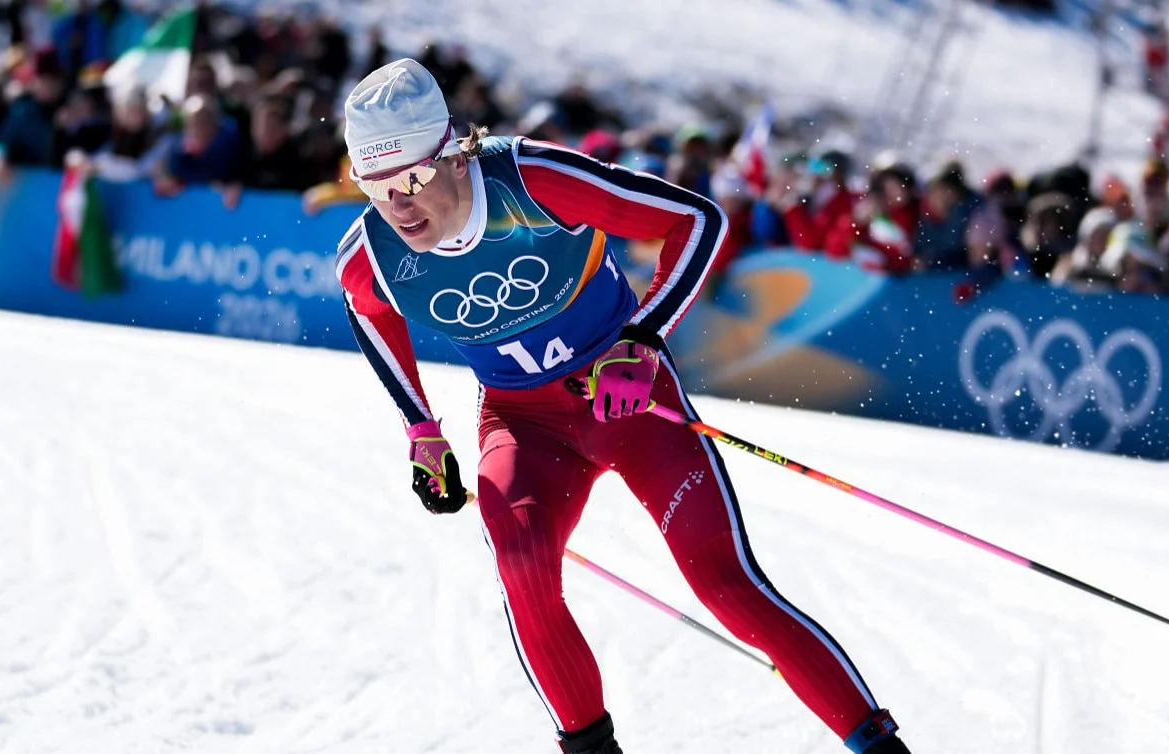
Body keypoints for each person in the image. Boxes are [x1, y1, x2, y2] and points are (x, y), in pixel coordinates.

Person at [333, 59, 912, 754]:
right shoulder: (370, 254)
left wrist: (641, 341)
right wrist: (422, 430)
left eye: (414, 178)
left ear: (456, 151)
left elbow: (696, 223)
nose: (397, 204)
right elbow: (369, 314)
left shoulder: (534, 183)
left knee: (726, 584)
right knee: (522, 573)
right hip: (523, 425)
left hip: (629, 404)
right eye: (374, 185)